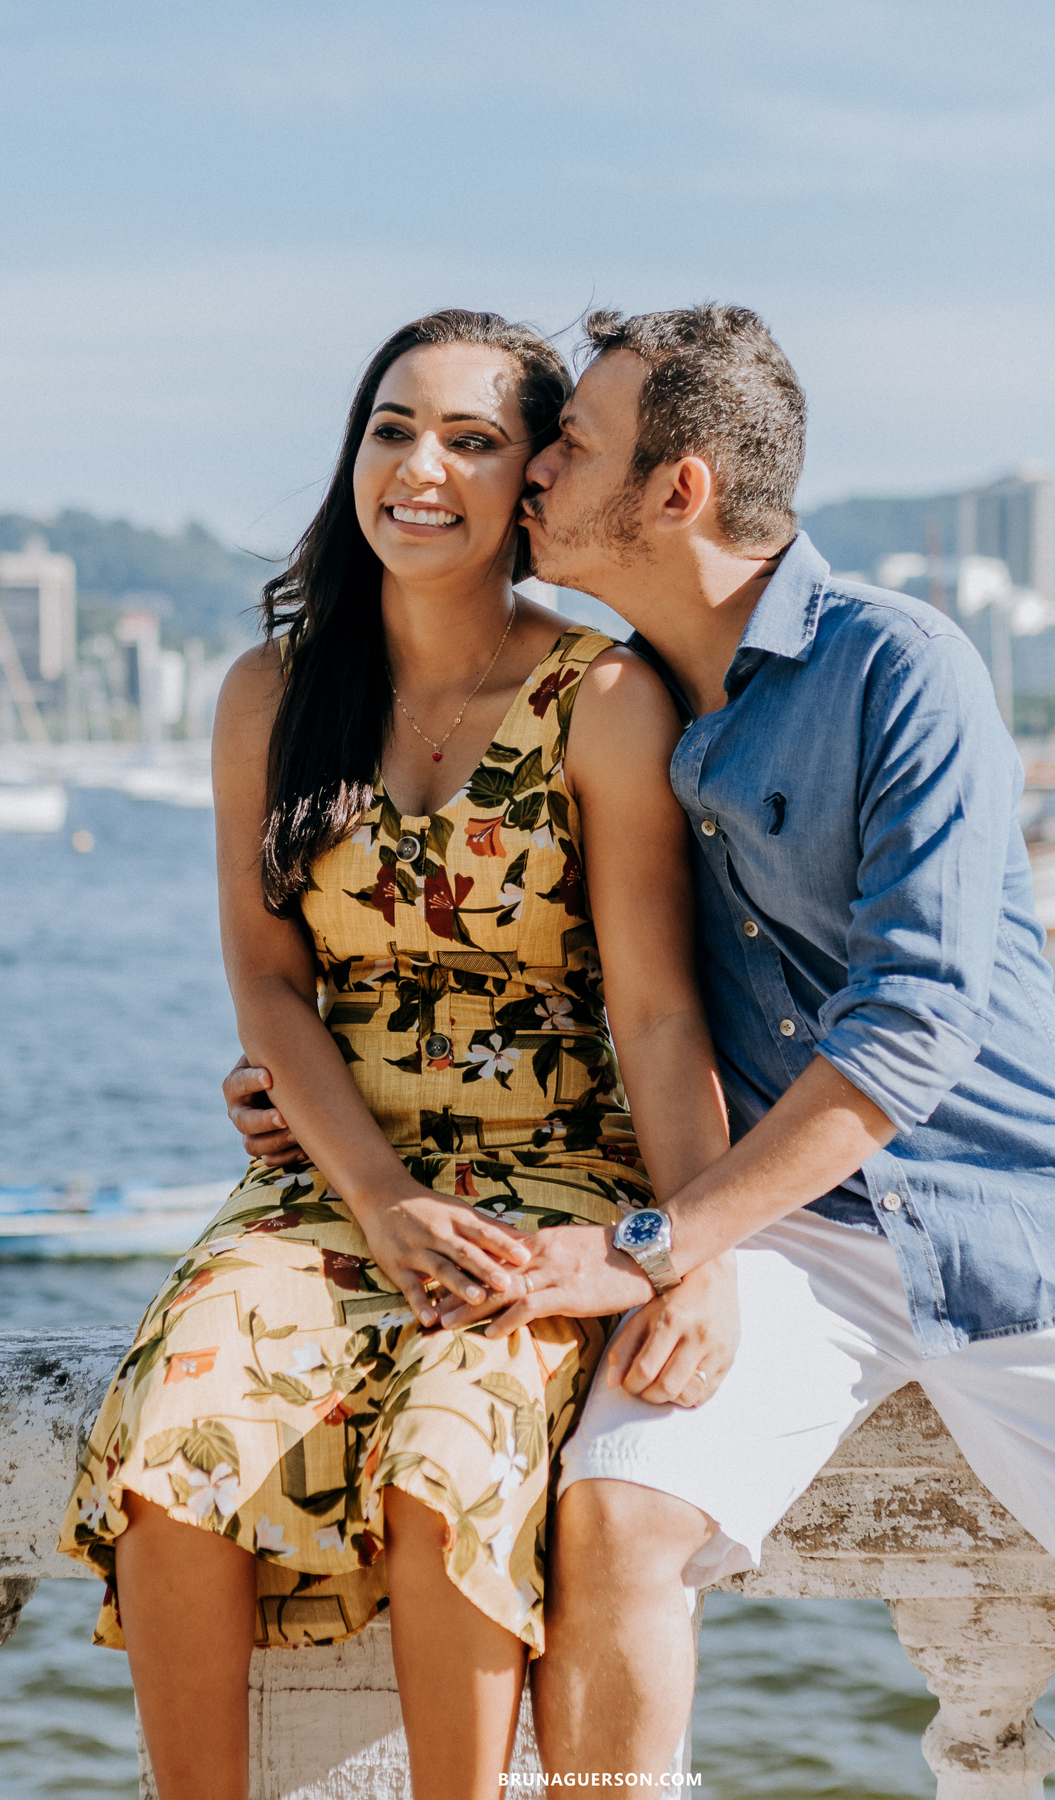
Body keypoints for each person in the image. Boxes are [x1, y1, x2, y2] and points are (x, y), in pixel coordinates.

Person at [235, 303, 1055, 1795]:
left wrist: (662, 1242)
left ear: (675, 492)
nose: (536, 474)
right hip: (789, 1233)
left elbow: (919, 1024)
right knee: (619, 1518)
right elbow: (565, 976)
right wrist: (313, 1083)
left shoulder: (900, 666)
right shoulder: (609, 696)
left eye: (573, 445)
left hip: (1018, 1228)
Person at [58, 309, 740, 1800]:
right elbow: (268, 978)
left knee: (451, 1457)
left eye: (473, 440)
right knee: (175, 1436)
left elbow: (658, 1011)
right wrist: (376, 1199)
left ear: (532, 488)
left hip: (550, 1179)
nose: (419, 468)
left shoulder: (603, 701)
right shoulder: (274, 695)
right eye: (392, 427)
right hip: (339, 1169)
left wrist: (700, 1250)